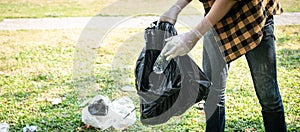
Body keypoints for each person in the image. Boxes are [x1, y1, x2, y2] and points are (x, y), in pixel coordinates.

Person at [159, 0, 287, 131]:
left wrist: (194, 35)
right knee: (212, 96)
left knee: (268, 95)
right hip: (217, 23)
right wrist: (175, 8)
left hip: (251, 17)